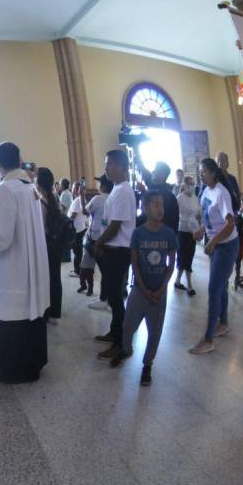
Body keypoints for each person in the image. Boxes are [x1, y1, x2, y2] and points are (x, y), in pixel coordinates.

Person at [0, 142, 49, 383]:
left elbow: (0, 236)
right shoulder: (29, 187)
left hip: (13, 267)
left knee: (12, 313)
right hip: (30, 265)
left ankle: (13, 368)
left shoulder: (6, 189)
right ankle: (32, 364)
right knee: (29, 313)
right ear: (19, 160)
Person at [109, 191, 177, 385]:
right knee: (128, 324)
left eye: (161, 205)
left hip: (159, 292)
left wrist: (162, 288)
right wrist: (143, 288)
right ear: (145, 208)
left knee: (155, 332)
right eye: (155, 205)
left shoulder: (169, 234)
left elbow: (171, 263)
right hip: (140, 290)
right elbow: (135, 263)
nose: (160, 209)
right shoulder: (138, 233)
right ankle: (125, 349)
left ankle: (147, 365)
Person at [189, 158, 239, 355]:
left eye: (203, 172)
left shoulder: (221, 193)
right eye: (200, 172)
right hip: (217, 244)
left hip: (226, 246)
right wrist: (202, 230)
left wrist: (213, 241)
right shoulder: (206, 191)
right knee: (221, 286)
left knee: (214, 288)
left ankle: (208, 339)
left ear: (213, 173)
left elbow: (229, 224)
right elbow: (212, 219)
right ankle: (223, 322)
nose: (201, 175)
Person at [94, 149, 136, 359]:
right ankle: (114, 332)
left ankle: (121, 343)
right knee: (113, 295)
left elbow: (116, 225)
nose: (106, 168)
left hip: (118, 251)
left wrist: (99, 242)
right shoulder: (119, 188)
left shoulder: (123, 191)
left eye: (109, 164)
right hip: (114, 249)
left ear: (120, 166)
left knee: (116, 297)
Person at [36, 168, 63, 324]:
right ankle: (55, 313)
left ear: (38, 181)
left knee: (44, 277)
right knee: (55, 277)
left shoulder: (38, 201)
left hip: (44, 242)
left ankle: (45, 312)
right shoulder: (54, 198)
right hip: (56, 242)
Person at [84, 175, 112, 306]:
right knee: (106, 269)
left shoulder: (98, 198)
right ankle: (105, 297)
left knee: (104, 271)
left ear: (104, 186)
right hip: (110, 239)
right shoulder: (114, 198)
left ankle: (103, 299)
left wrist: (83, 197)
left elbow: (86, 211)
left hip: (97, 240)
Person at [174, 176, 201, 296]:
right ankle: (188, 285)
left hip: (193, 231)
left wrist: (199, 225)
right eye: (189, 184)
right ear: (184, 185)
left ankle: (179, 281)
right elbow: (177, 215)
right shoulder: (179, 198)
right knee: (181, 256)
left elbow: (198, 213)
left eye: (192, 184)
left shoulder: (196, 198)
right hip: (182, 230)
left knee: (189, 256)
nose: (191, 186)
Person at [68, 181, 87, 282]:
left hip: (77, 228)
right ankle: (78, 269)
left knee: (77, 250)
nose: (73, 189)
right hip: (81, 227)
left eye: (74, 187)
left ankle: (78, 271)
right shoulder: (80, 199)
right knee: (78, 249)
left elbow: (73, 215)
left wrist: (66, 221)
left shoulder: (77, 201)